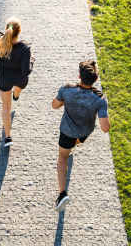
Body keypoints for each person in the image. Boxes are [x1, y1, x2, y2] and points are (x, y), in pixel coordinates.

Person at [51, 60, 110, 211]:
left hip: (67, 131)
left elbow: (54, 105)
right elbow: (105, 128)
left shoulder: (67, 89)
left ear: (79, 76)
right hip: (84, 132)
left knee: (62, 158)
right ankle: (73, 146)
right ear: (95, 80)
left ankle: (62, 194)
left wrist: (66, 100)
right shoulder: (99, 99)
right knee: (75, 143)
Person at [0, 17, 32, 148]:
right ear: (19, 31)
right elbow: (26, 71)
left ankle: (7, 137)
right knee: (18, 89)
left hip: (4, 78)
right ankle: (16, 94)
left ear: (6, 29)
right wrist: (32, 62)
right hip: (19, 79)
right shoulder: (24, 48)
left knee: (6, 107)